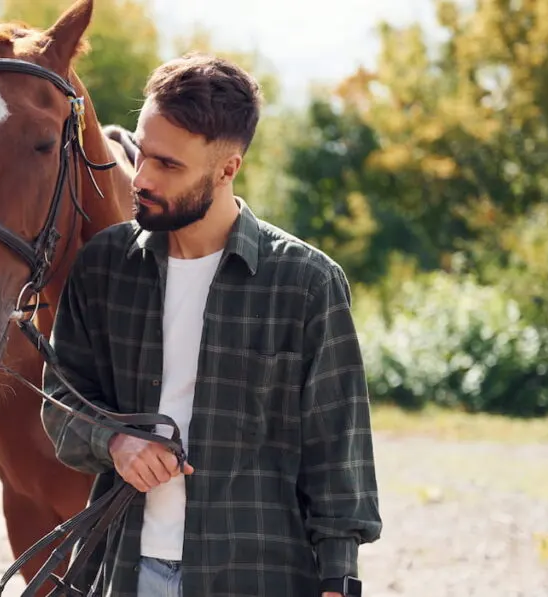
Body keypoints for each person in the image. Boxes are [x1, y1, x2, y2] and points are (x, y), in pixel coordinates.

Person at [41, 52, 382, 597]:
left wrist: (339, 580)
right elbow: (61, 400)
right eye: (144, 153)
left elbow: (337, 452)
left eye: (170, 166)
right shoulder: (104, 267)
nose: (144, 178)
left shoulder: (305, 284)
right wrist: (115, 443)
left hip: (258, 575)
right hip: (128, 569)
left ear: (227, 169)